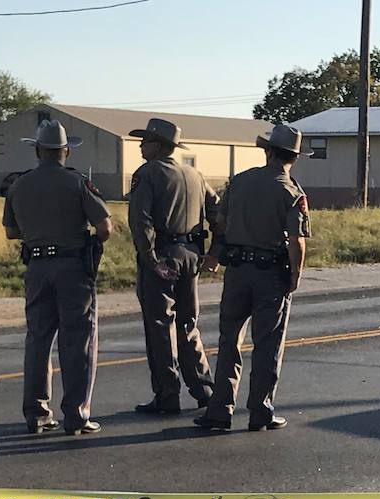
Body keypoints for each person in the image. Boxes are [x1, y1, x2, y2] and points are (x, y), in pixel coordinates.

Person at [194, 124, 311, 432]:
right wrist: (295, 276)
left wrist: (216, 255)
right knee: (267, 344)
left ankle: (220, 411)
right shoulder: (292, 192)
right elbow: (297, 241)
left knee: (229, 340)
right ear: (294, 159)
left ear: (267, 151)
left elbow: (220, 223)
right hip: (271, 275)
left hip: (236, 273)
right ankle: (260, 411)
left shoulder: (240, 182)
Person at [2, 120, 112, 435]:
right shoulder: (76, 183)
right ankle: (76, 415)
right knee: (77, 341)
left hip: (36, 267)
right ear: (65, 151)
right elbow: (104, 227)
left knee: (38, 340)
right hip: (72, 267)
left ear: (37, 150)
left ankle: (37, 413)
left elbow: (11, 231)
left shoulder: (19, 185)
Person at [128, 118, 219, 415]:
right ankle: (204, 389)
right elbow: (219, 214)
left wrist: (150, 258)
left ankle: (167, 394)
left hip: (163, 257)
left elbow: (140, 221)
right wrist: (215, 252)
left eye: (145, 142)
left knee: (160, 327)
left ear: (157, 145)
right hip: (191, 254)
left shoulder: (147, 174)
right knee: (188, 324)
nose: (141, 146)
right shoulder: (195, 175)